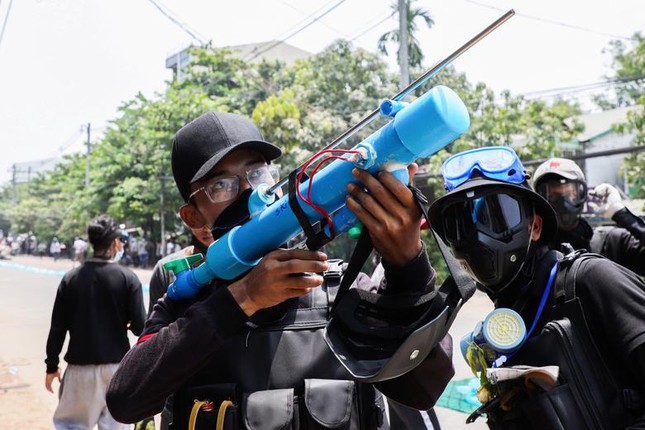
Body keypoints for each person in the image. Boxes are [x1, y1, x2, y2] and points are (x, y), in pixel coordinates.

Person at [106, 111, 456, 430]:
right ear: (194, 218)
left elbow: (423, 389)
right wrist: (240, 299)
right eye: (221, 185)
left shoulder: (339, 286)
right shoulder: (185, 306)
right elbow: (125, 400)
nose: (250, 193)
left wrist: (409, 265)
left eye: (256, 173)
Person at [427, 146, 645, 428]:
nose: (478, 237)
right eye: (460, 224)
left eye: (499, 217)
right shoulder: (506, 325)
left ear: (535, 227)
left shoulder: (590, 279)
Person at [45, 214, 147, 430]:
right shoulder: (128, 278)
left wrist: (52, 366)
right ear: (115, 243)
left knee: (72, 426)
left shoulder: (70, 279)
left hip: (80, 370)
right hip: (117, 370)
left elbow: (57, 328)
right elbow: (141, 327)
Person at [532, 157, 645, 275]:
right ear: (540, 201)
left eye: (570, 194)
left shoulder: (611, 242)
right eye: (553, 197)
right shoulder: (533, 252)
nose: (563, 203)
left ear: (582, 195)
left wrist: (621, 214)